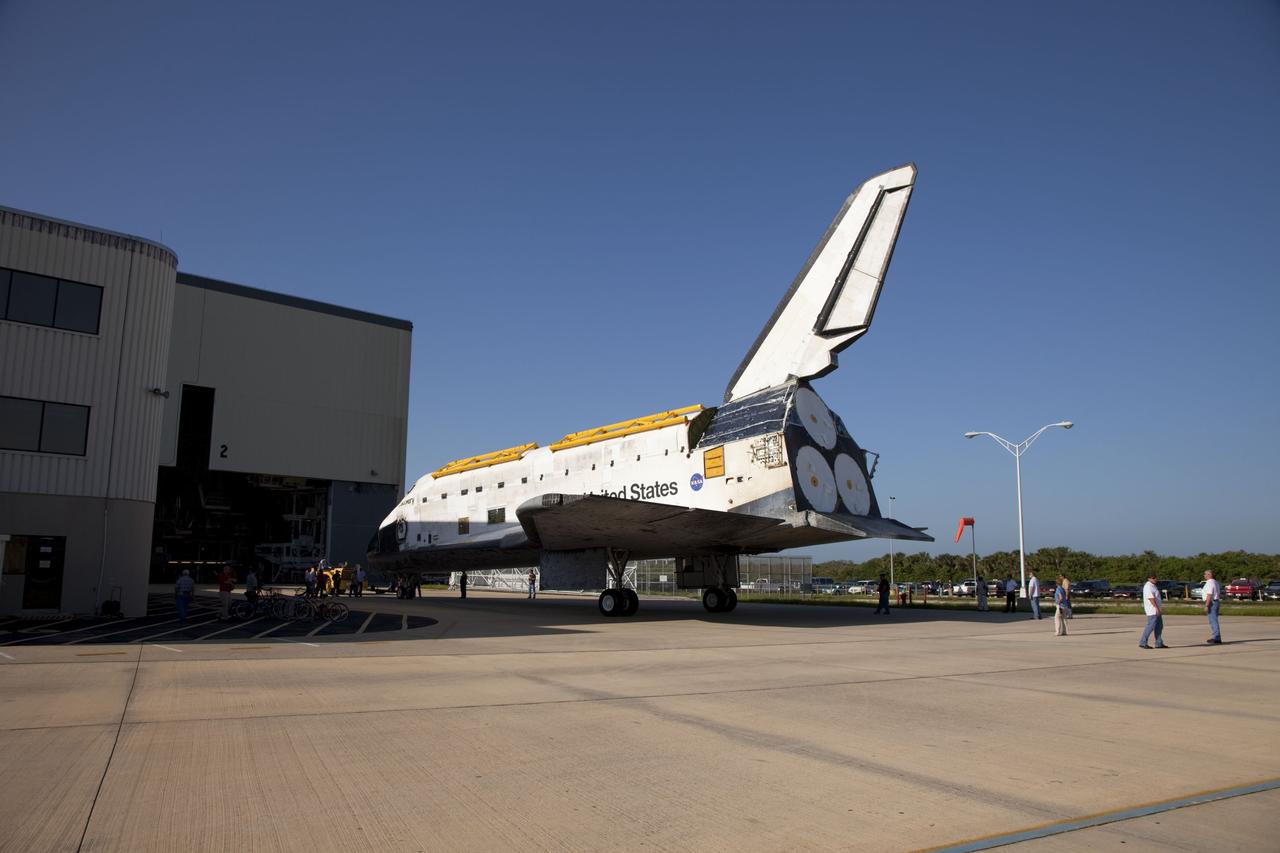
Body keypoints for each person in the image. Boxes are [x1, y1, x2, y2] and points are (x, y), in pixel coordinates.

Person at [1138, 573, 1168, 649]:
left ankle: (1159, 643)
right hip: (1152, 610)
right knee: (1151, 626)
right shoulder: (1148, 586)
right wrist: (1157, 609)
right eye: (1153, 578)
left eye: (1155, 577)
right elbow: (1151, 599)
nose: (1155, 579)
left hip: (1156, 610)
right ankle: (1143, 642)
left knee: (1159, 626)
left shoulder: (1153, 586)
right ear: (1149, 579)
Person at [1203, 569, 1223, 644]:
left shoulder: (1210, 583)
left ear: (1209, 575)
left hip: (1212, 602)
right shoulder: (1215, 582)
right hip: (1216, 601)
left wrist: (1206, 605)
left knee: (1213, 621)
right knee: (1214, 620)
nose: (1204, 575)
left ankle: (1216, 638)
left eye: (1205, 574)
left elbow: (1209, 594)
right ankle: (1216, 637)